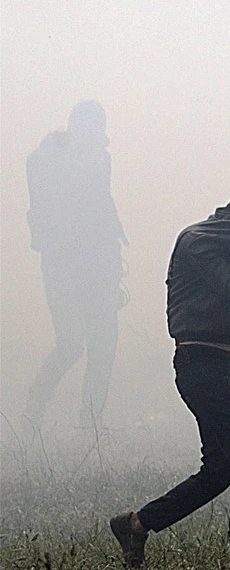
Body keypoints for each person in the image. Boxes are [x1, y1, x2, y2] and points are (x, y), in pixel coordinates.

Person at [109, 195, 230, 568]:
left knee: (221, 468)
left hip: (214, 365)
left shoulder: (228, 243)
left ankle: (136, 525)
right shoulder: (199, 241)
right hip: (199, 365)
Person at [25, 100, 128, 428]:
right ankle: (32, 413)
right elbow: (50, 209)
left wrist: (113, 261)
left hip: (99, 266)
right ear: (74, 128)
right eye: (89, 126)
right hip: (63, 266)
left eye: (99, 127)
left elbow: (101, 208)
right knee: (70, 343)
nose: (96, 134)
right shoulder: (45, 160)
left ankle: (90, 428)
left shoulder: (100, 159)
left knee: (103, 348)